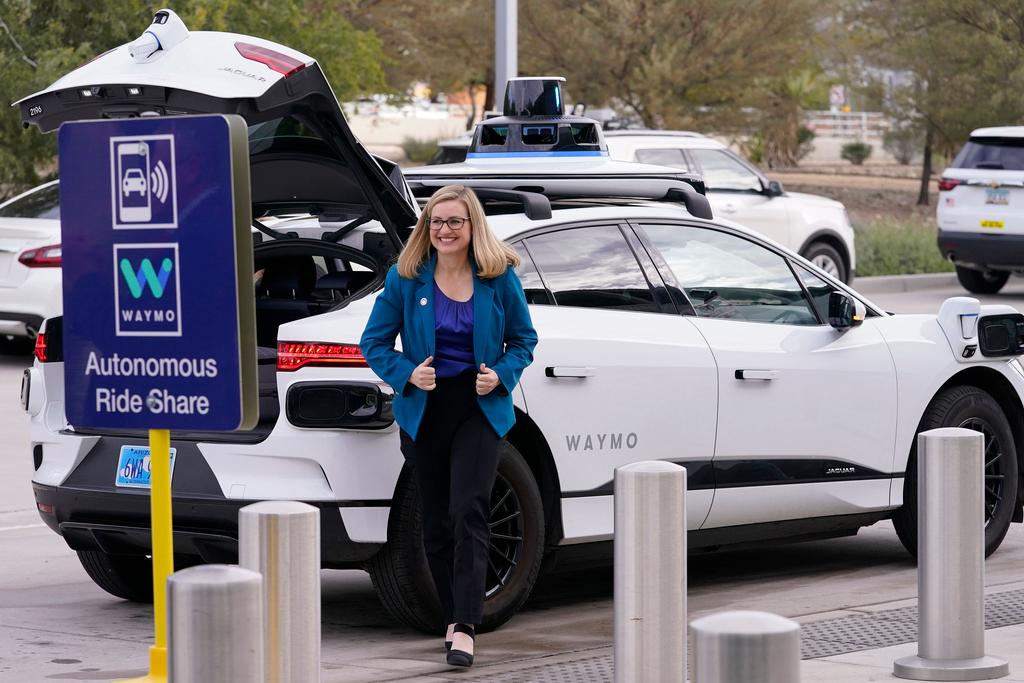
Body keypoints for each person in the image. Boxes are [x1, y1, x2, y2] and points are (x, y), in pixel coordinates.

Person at [359, 184, 538, 667]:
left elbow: (525, 340)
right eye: (436, 222)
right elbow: (372, 343)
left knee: (470, 510)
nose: (444, 230)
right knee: (436, 522)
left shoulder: (498, 278)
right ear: (427, 227)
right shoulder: (406, 279)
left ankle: (464, 625)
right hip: (426, 409)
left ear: (472, 226)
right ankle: (451, 614)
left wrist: (501, 373)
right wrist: (405, 373)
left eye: (455, 221)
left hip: (478, 407)